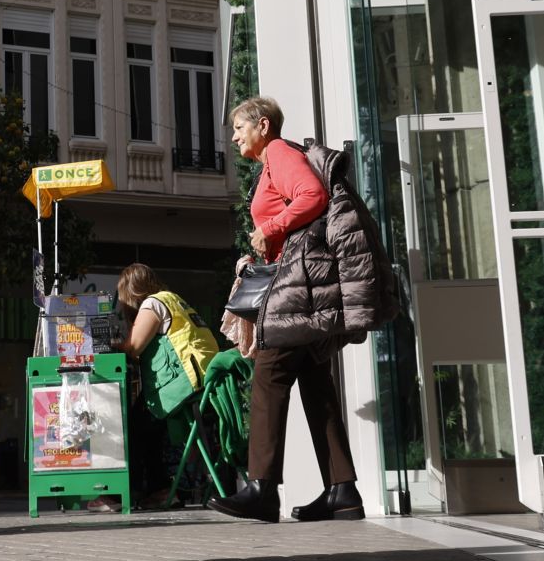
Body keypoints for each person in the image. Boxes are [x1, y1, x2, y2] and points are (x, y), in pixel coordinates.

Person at [211, 97, 364, 524]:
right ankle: (343, 491)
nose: (235, 135)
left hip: (296, 292)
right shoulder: (271, 163)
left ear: (263, 125)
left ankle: (261, 489)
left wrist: (270, 229)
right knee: (317, 387)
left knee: (269, 374)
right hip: (300, 287)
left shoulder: (278, 152)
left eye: (239, 127)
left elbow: (311, 195)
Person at [116, 263, 221, 509]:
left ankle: (135, 492)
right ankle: (162, 489)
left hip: (184, 382)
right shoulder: (174, 299)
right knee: (147, 427)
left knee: (134, 425)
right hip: (203, 382)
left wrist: (111, 345)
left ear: (131, 292)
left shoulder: (153, 304)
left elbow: (133, 348)